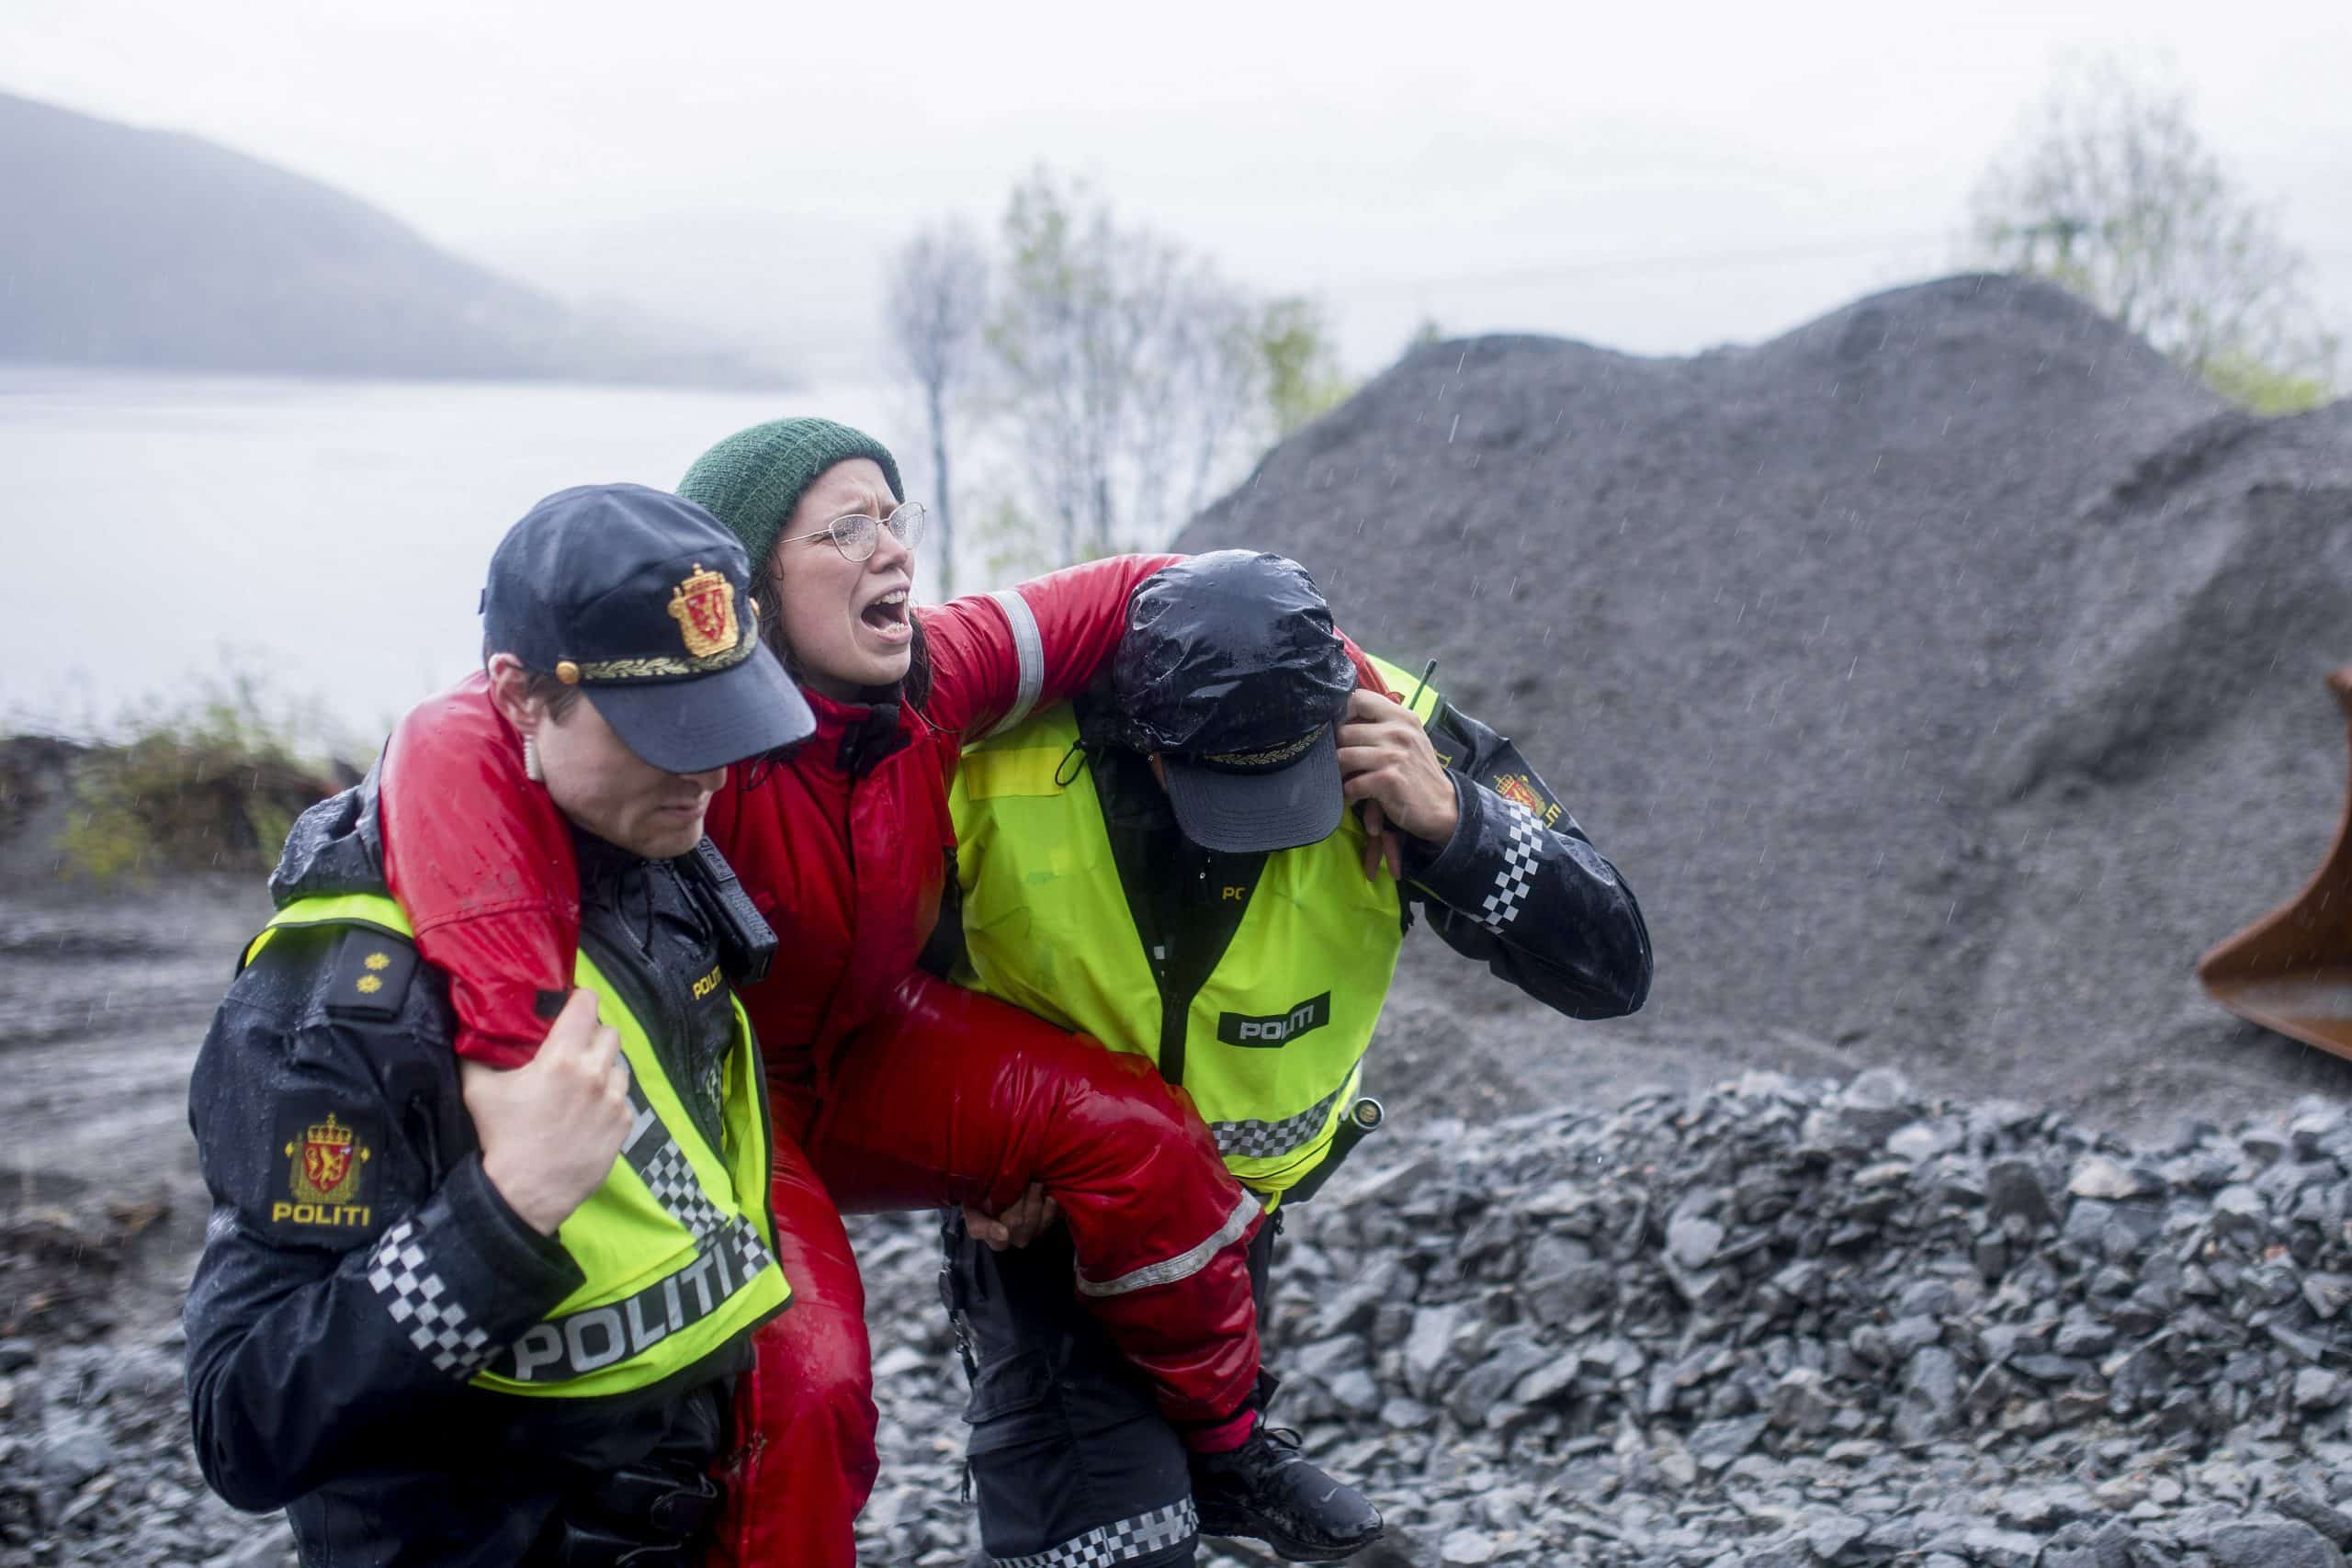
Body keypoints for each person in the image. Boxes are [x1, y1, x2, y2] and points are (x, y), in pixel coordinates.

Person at [370, 421, 1382, 1567]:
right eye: (844, 529)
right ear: (748, 582)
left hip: (871, 1047)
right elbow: (450, 733)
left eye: (894, 518)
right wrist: (519, 1053)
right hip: (728, 1096)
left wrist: (1326, 683)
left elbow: (1160, 594)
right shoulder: (677, 722)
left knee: (1142, 1136)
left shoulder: (937, 672)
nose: (890, 551)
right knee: (813, 1388)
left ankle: (1229, 1445)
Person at [933, 548, 1655, 1566]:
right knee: (1116, 1538)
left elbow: (1612, 968)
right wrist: (962, 1148)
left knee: (1186, 1470)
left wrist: (1458, 824)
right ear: (1135, 737)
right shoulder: (1001, 744)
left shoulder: (1401, 728)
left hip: (1237, 1223)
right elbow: (866, 991)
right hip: (1050, 1231)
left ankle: (1229, 1461)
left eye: (1286, 790)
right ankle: (1222, 1465)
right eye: (1224, 797)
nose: (1254, 838)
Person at [183, 484, 811, 1565]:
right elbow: (243, 1422)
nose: (708, 768)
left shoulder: (649, 861)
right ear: (519, 696)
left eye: (725, 719)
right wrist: (504, 1213)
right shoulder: (342, 997)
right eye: (663, 730)